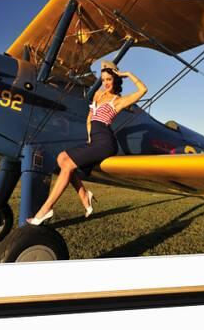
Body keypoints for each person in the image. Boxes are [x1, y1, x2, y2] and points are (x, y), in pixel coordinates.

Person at [27, 60, 148, 225]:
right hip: (95, 140)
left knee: (68, 165)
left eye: (109, 79)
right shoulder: (98, 94)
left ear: (116, 80)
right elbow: (90, 118)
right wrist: (90, 136)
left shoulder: (118, 101)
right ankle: (84, 194)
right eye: (104, 79)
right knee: (62, 158)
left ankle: (45, 209)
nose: (105, 83)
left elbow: (143, 90)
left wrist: (126, 74)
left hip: (105, 142)